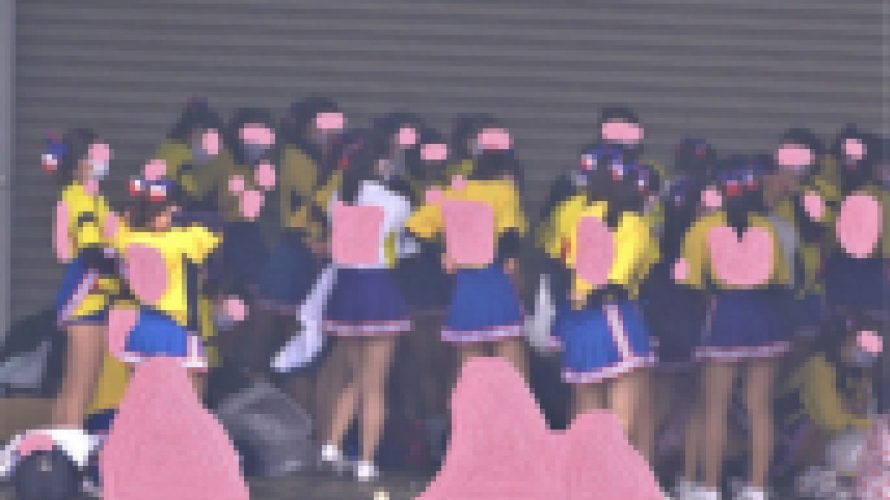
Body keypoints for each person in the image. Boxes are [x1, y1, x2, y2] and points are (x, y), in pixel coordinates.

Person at [677, 155, 791, 500]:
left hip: (724, 316)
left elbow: (689, 282)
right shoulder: (768, 227)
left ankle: (710, 488)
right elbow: (781, 279)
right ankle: (756, 488)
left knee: (715, 407)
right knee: (760, 408)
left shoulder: (701, 228)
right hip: (764, 318)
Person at [319, 130, 414, 482]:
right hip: (378, 289)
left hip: (346, 288)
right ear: (380, 163)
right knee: (375, 385)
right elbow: (399, 241)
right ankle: (366, 461)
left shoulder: (337, 199)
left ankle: (332, 443)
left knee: (357, 377)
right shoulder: (396, 202)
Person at [546, 151, 658, 438]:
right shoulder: (635, 224)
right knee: (622, 426)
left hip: (581, 323)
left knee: (587, 424)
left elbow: (567, 264)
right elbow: (620, 280)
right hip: (615, 320)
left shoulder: (581, 217)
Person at [405, 149, 529, 381]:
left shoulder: (453, 193)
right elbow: (509, 234)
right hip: (495, 284)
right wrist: (510, 256)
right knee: (513, 377)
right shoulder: (504, 191)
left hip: (465, 288)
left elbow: (413, 227)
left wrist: (442, 252)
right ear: (504, 172)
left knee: (470, 380)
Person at [639, 139, 714, 490]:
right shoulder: (703, 231)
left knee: (654, 397)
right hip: (687, 316)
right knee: (695, 398)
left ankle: (645, 474)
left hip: (658, 307)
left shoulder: (659, 207)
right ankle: (687, 479)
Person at [48, 129, 118, 428]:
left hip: (88, 297)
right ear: (79, 162)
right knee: (82, 389)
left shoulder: (87, 196)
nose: (104, 161)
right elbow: (91, 252)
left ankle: (55, 449)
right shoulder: (82, 197)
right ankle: (68, 453)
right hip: (87, 296)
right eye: (96, 155)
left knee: (71, 386)